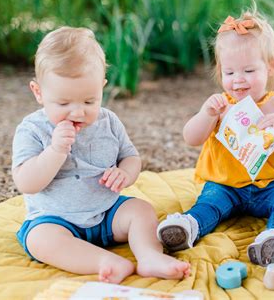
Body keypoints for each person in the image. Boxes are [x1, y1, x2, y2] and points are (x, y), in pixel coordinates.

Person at [12, 27, 190, 284]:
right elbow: (26, 182)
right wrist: (54, 151)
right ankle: (104, 262)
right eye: (63, 103)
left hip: (107, 214)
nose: (77, 112)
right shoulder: (33, 129)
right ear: (38, 92)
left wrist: (124, 173)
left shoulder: (109, 122)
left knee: (141, 210)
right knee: (40, 240)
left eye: (89, 101)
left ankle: (149, 256)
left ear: (102, 88)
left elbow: (131, 156)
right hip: (56, 218)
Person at [157, 6, 274, 266]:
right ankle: (189, 226)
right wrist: (207, 115)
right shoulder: (220, 107)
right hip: (227, 185)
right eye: (230, 73)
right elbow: (191, 137)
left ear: (271, 67)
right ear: (220, 72)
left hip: (272, 185)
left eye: (249, 71)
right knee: (209, 202)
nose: (238, 80)